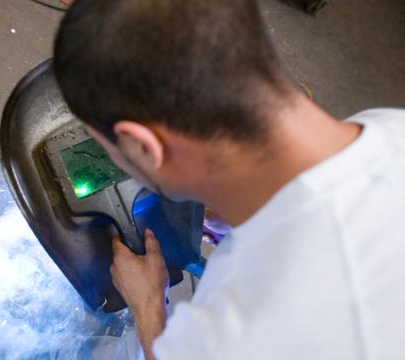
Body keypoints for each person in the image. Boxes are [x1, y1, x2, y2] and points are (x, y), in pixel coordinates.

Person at [52, 0, 405, 359]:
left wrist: (148, 307)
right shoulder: (393, 125)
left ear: (143, 145)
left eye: (107, 148)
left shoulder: (238, 333)